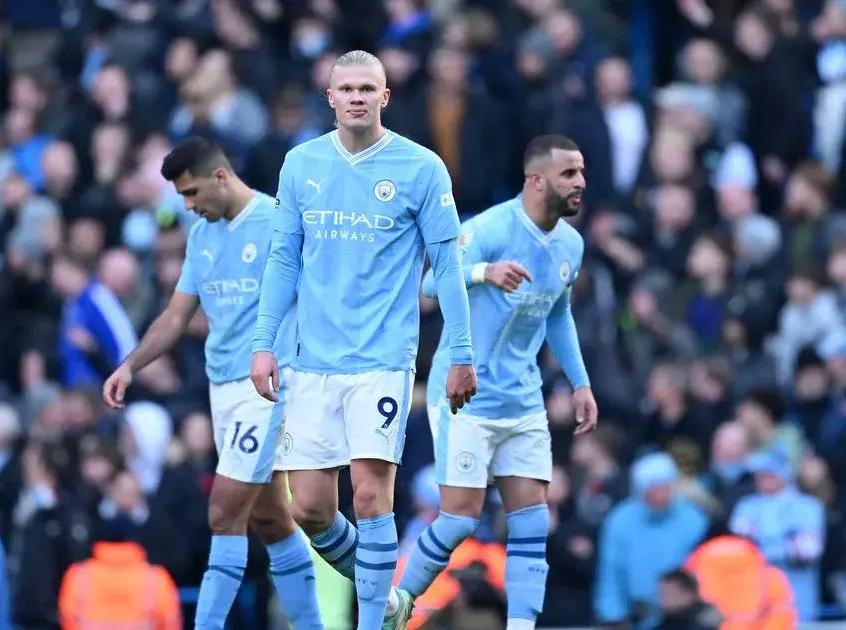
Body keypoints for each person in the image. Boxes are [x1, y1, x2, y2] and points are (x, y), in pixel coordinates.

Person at [250, 50, 477, 630]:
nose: (356, 96)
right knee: (312, 508)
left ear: (385, 97)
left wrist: (460, 352)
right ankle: (393, 599)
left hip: (382, 359)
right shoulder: (301, 164)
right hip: (311, 361)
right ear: (329, 98)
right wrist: (263, 342)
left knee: (373, 497)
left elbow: (447, 266)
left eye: (366, 88)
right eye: (345, 88)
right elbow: (282, 258)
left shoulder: (420, 168)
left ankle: (373, 621)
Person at [102, 137, 322, 630]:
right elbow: (177, 315)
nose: (187, 205)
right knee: (269, 520)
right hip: (220, 387)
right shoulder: (201, 237)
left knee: (223, 512)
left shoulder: (278, 223)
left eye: (192, 192)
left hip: (267, 387)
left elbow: (326, 293)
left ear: (220, 177)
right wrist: (129, 366)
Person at [401, 135, 598, 630]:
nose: (580, 183)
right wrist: (484, 272)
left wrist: (580, 382)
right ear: (536, 180)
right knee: (460, 518)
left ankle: (522, 626)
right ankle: (399, 601)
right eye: (568, 174)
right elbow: (429, 283)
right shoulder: (491, 227)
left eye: (581, 172)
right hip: (466, 395)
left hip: (524, 399)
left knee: (532, 522)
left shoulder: (571, 244)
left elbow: (558, 314)